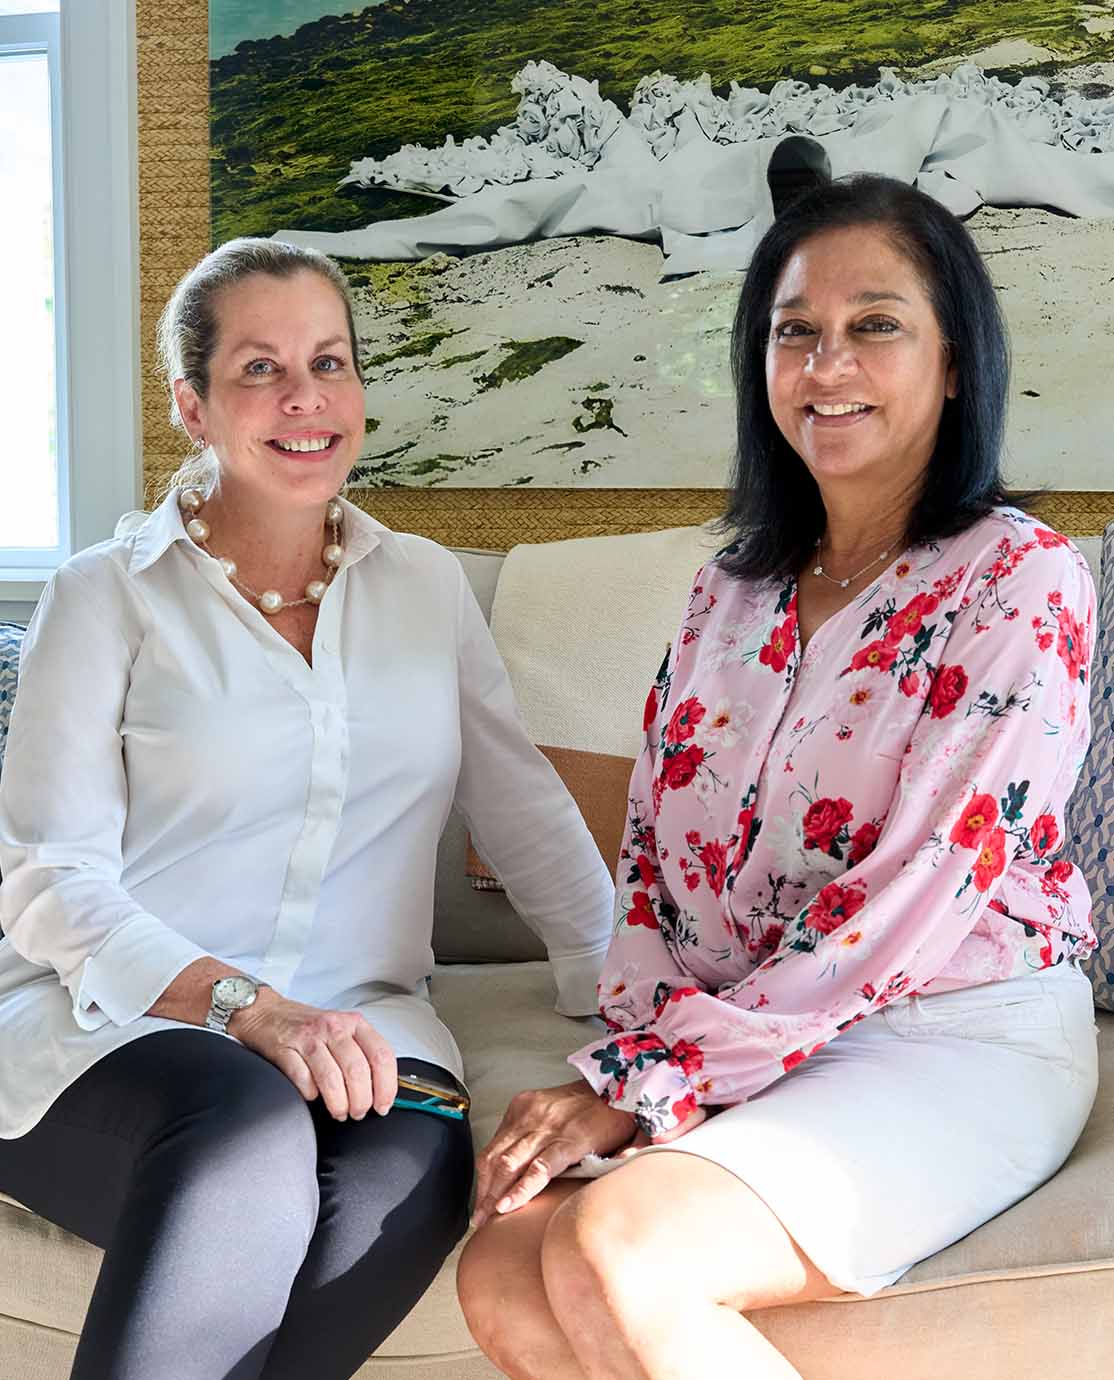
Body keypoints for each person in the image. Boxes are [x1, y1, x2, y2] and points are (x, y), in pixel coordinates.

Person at [456, 174, 1100, 1380]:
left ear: (955, 362)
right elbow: (652, 864)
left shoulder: (1022, 579)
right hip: (752, 1030)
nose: (825, 362)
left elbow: (922, 892)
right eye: (793, 330)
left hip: (954, 1032)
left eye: (874, 324)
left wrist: (649, 1082)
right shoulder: (728, 591)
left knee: (619, 1246)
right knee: (502, 1260)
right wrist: (644, 1047)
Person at [0, 237, 613, 1380]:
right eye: (259, 370)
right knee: (246, 1133)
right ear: (192, 404)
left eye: (329, 363)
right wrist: (255, 1012)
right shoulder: (103, 598)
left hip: (372, 1040)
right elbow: (49, 878)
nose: (305, 400)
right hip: (119, 1023)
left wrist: (636, 1022)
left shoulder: (425, 588)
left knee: (392, 1202)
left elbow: (520, 805)